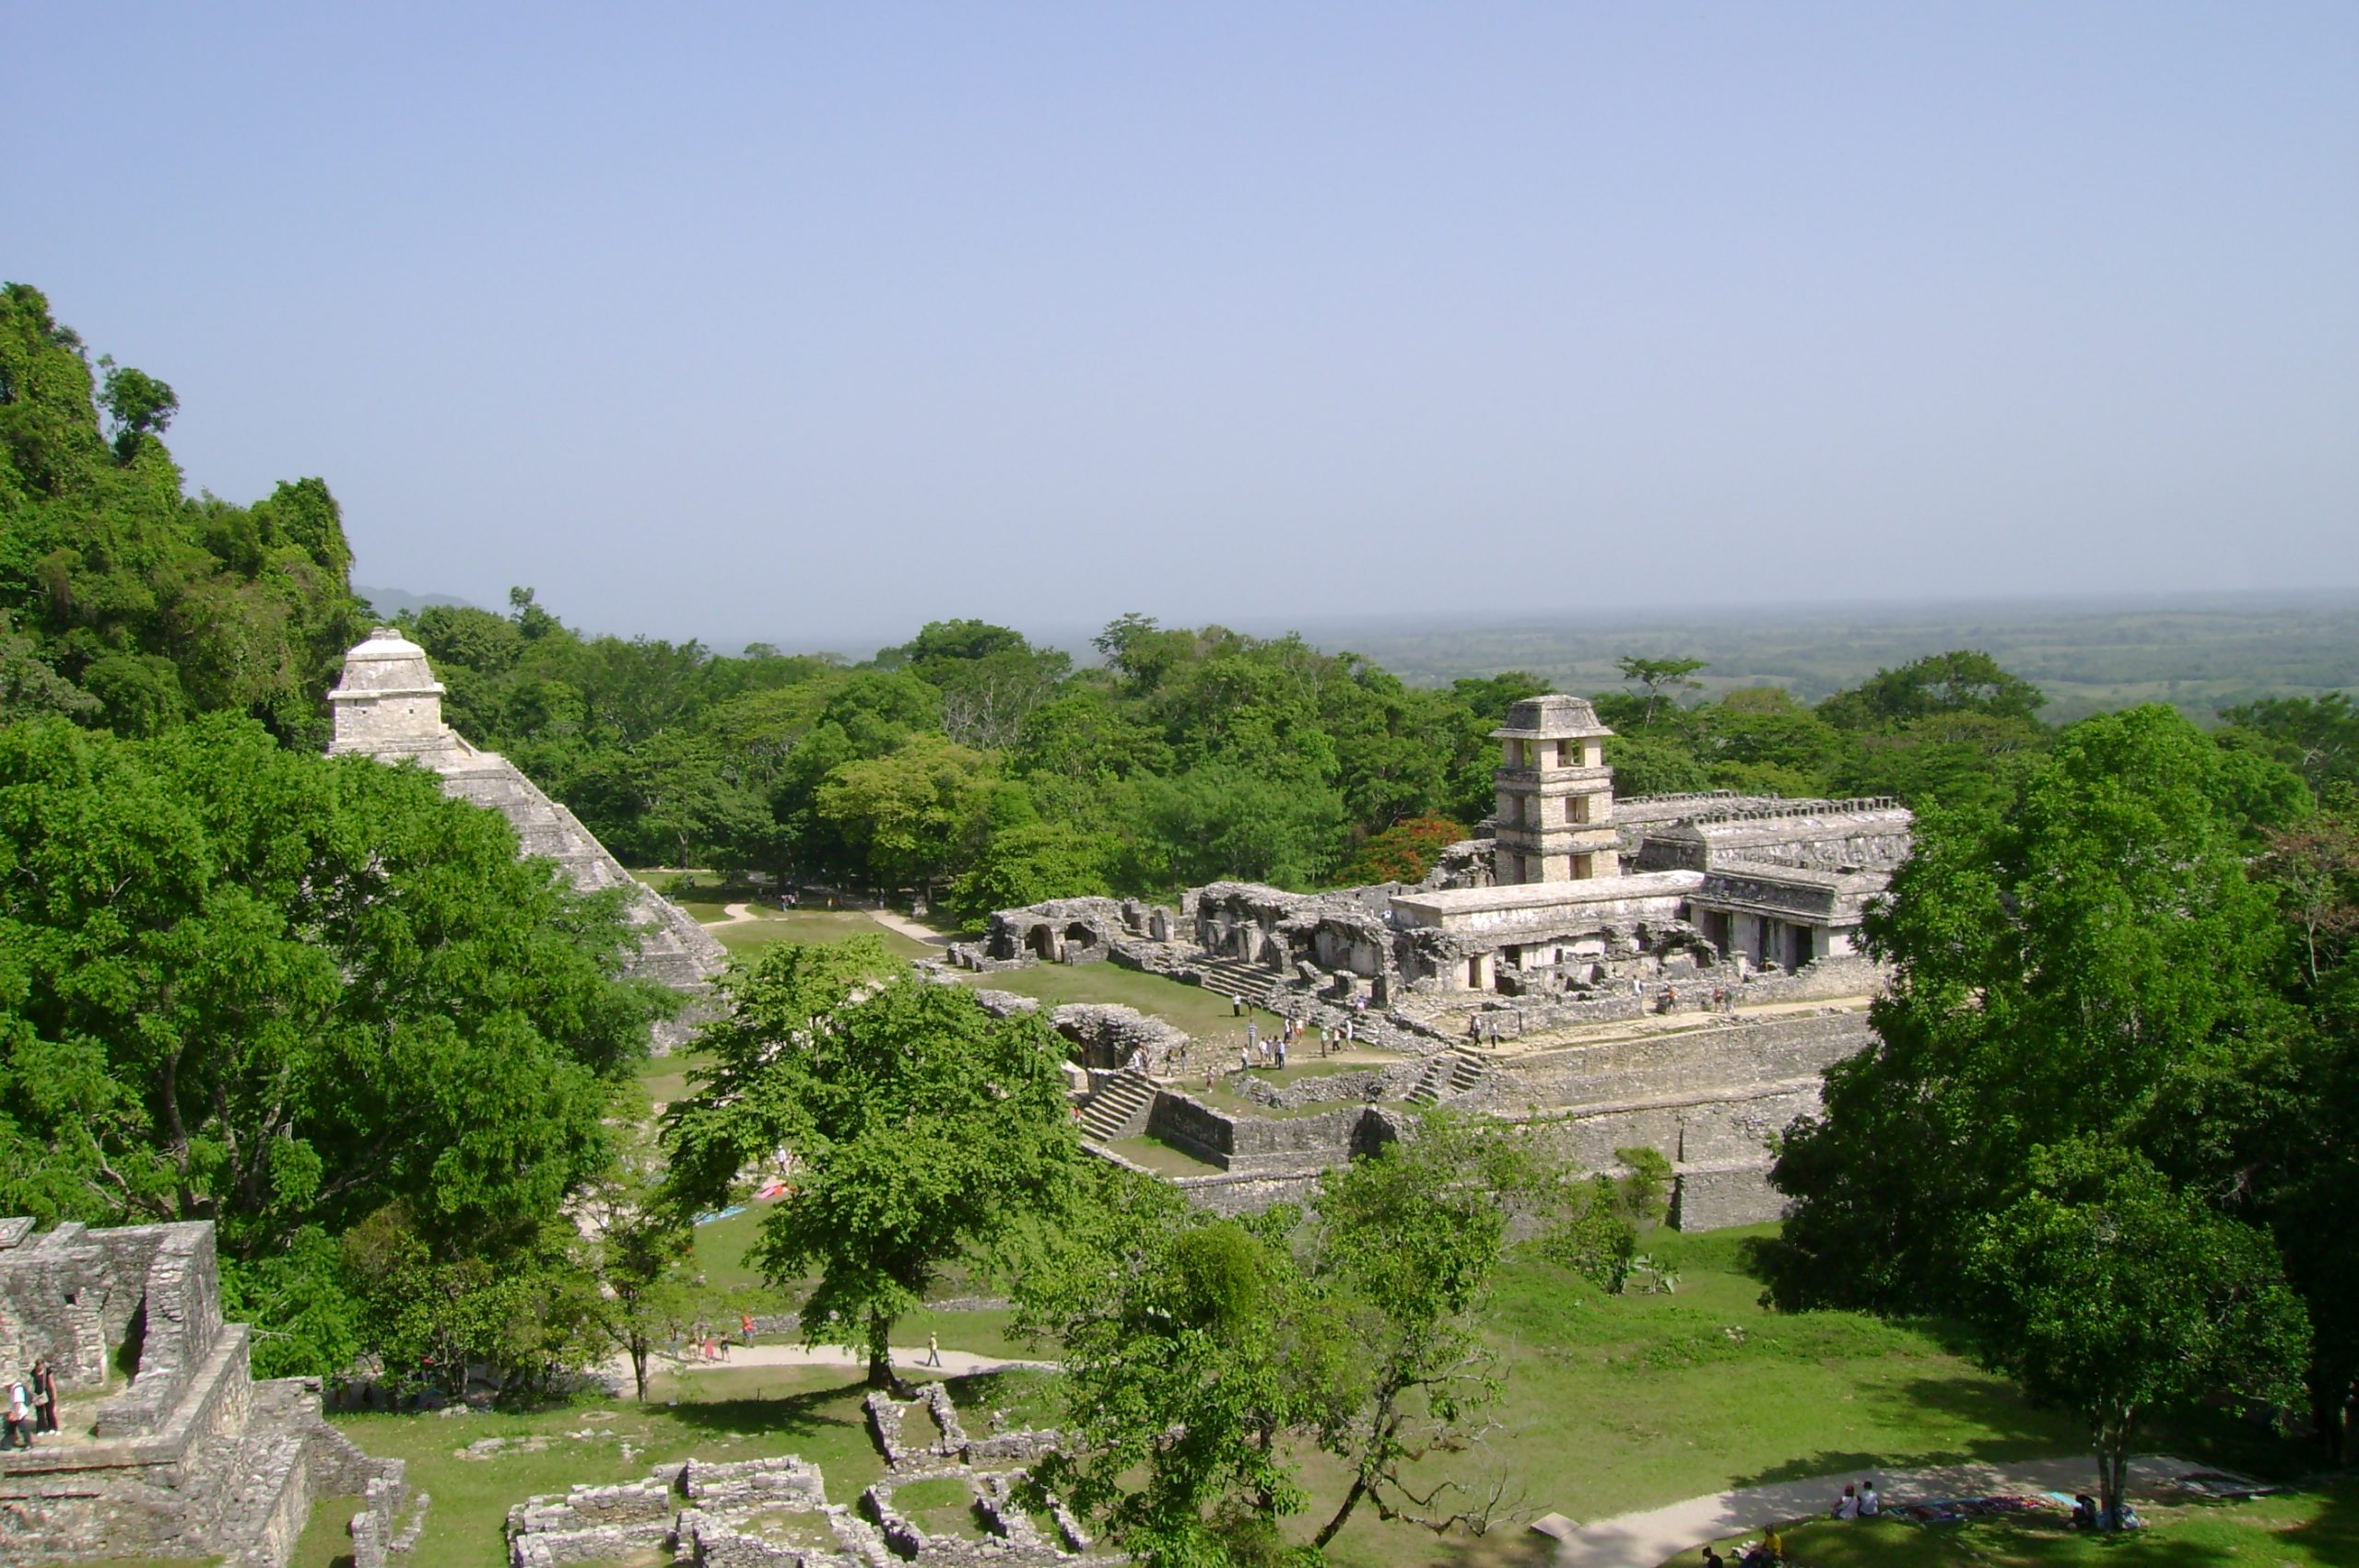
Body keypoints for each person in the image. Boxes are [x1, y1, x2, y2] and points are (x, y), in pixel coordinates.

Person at [31, 1357, 55, 1434]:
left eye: (41, 1365)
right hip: (37, 1394)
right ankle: (41, 1428)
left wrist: (54, 1394)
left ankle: (52, 1427)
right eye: (39, 1365)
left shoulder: (47, 1372)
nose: (40, 1367)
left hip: (47, 1393)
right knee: (39, 1412)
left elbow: (52, 1383)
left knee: (49, 1411)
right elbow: (32, 1383)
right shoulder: (33, 1372)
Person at [5, 1375, 29, 1448]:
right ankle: (8, 1444)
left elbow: (18, 1402)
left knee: (23, 1428)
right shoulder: (13, 1389)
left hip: (19, 1412)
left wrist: (16, 1414)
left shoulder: (17, 1389)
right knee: (11, 1428)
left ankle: (29, 1444)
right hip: (16, 1411)